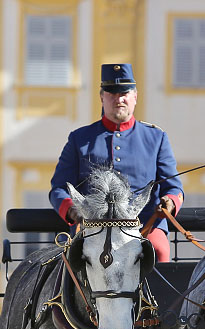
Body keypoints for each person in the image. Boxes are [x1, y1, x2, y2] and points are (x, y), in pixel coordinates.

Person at [49, 63, 184, 262]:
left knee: (159, 251)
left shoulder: (156, 138)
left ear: (135, 96)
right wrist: (71, 209)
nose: (119, 99)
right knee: (73, 260)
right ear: (102, 97)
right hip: (92, 229)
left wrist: (170, 203)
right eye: (112, 93)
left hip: (143, 226)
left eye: (125, 93)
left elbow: (173, 187)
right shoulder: (79, 139)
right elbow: (59, 188)